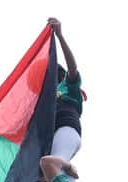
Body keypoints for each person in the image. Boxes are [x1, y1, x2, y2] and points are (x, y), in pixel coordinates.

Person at [48, 18, 85, 169]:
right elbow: (18, 128)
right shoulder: (40, 101)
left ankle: (69, 169)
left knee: (53, 164)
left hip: (67, 128)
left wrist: (60, 36)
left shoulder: (68, 86)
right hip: (49, 138)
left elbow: (72, 68)